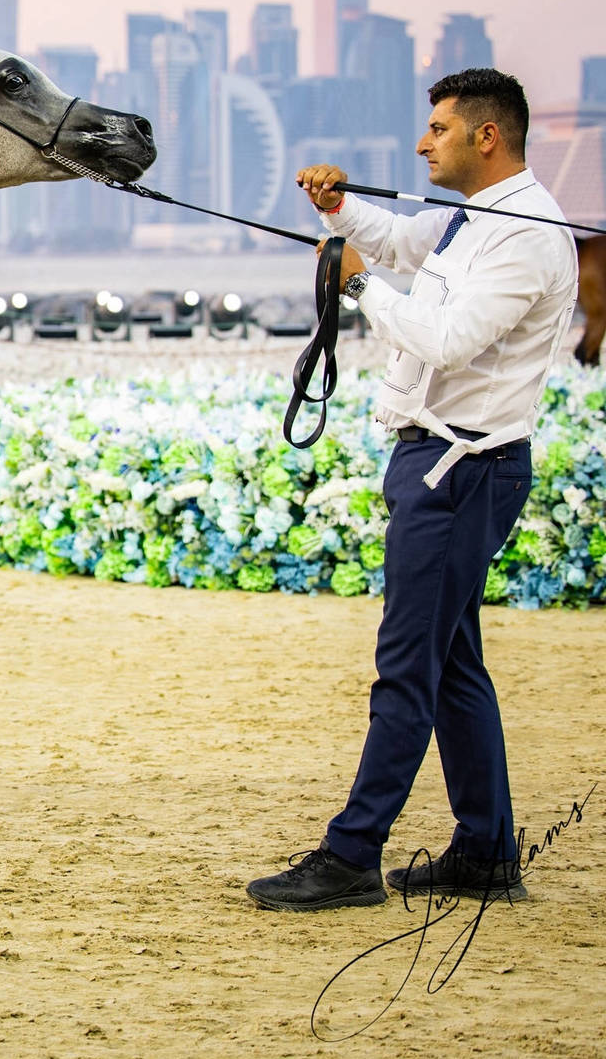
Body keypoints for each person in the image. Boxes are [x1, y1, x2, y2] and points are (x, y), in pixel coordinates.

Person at [247, 68, 577, 911]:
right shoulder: (473, 219)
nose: (424, 141)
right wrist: (339, 212)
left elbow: (446, 338)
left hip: (463, 474)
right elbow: (400, 241)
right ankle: (486, 852)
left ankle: (353, 854)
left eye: (437, 128)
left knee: (407, 668)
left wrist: (355, 282)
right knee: (453, 664)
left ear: (486, 136)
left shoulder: (530, 235)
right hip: (440, 466)